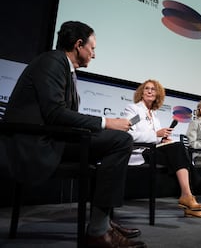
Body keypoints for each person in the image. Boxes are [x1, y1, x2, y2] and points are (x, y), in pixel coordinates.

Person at [4, 21, 146, 248]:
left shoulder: (65, 68)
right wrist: (106, 122)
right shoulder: (52, 62)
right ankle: (99, 232)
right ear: (79, 45)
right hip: (35, 144)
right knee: (119, 140)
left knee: (114, 142)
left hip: (53, 138)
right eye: (93, 48)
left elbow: (61, 116)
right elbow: (55, 114)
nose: (94, 55)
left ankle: (104, 223)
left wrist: (101, 126)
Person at [123, 79, 201, 218]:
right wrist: (155, 135)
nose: (150, 91)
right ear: (141, 92)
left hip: (153, 150)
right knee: (178, 150)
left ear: (158, 95)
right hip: (140, 152)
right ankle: (190, 194)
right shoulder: (135, 111)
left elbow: (156, 138)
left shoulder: (154, 115)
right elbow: (128, 134)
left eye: (153, 89)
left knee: (178, 149)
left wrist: (162, 139)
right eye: (147, 88)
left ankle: (188, 198)